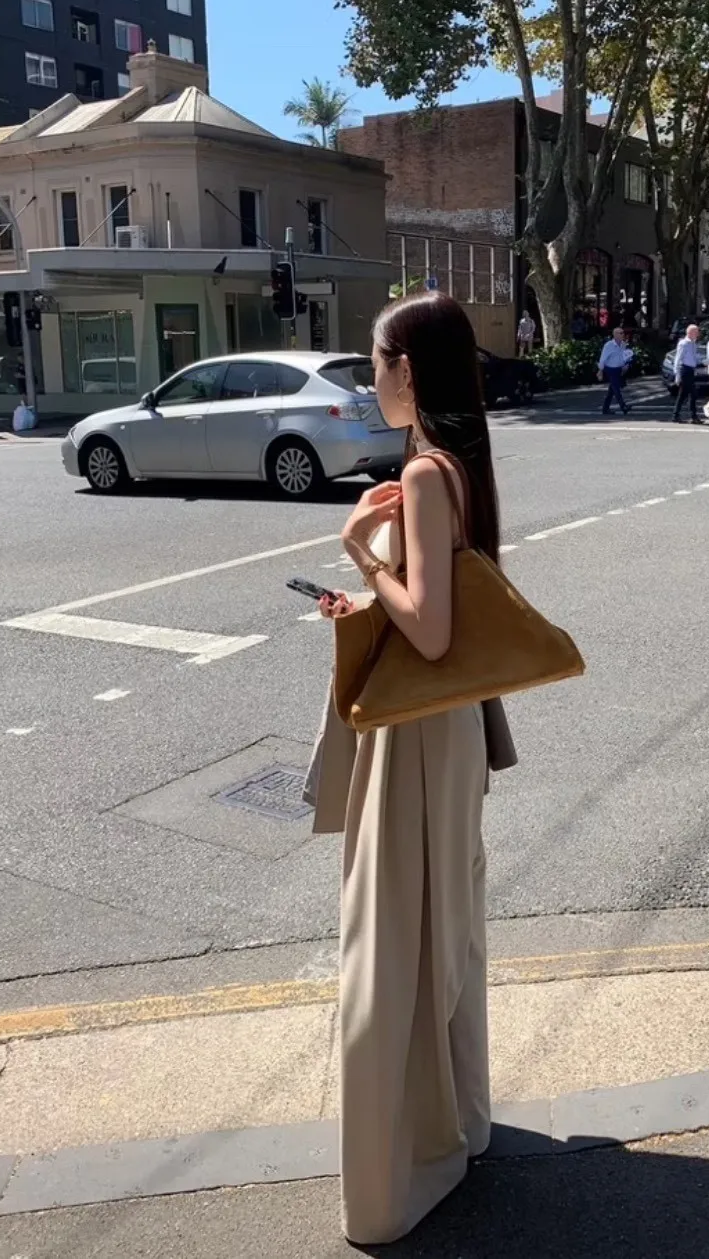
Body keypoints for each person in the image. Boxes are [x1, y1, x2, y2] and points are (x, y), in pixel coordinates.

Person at [311, 291, 510, 1245]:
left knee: (390, 942)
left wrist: (359, 551)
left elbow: (430, 633)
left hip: (419, 732)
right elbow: (443, 615)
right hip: (444, 729)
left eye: (375, 361)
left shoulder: (426, 474)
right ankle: (454, 1120)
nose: (370, 379)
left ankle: (401, 1171)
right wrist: (367, 605)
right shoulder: (454, 464)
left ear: (408, 369)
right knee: (441, 929)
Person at [598, 326, 633, 415]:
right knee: (616, 388)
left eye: (623, 333)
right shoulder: (608, 345)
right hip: (610, 369)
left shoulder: (623, 344)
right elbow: (603, 358)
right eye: (620, 333)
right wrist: (600, 370)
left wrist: (626, 365)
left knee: (612, 390)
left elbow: (625, 356)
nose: (623, 335)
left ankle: (605, 409)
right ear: (615, 335)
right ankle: (623, 406)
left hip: (618, 369)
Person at [672, 323, 703, 423]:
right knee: (692, 394)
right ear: (690, 332)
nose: (697, 334)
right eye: (696, 332)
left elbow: (694, 357)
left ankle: (676, 415)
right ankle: (693, 416)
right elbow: (678, 358)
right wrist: (677, 374)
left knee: (683, 394)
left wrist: (702, 362)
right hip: (684, 370)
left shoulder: (693, 343)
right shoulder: (683, 343)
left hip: (690, 370)